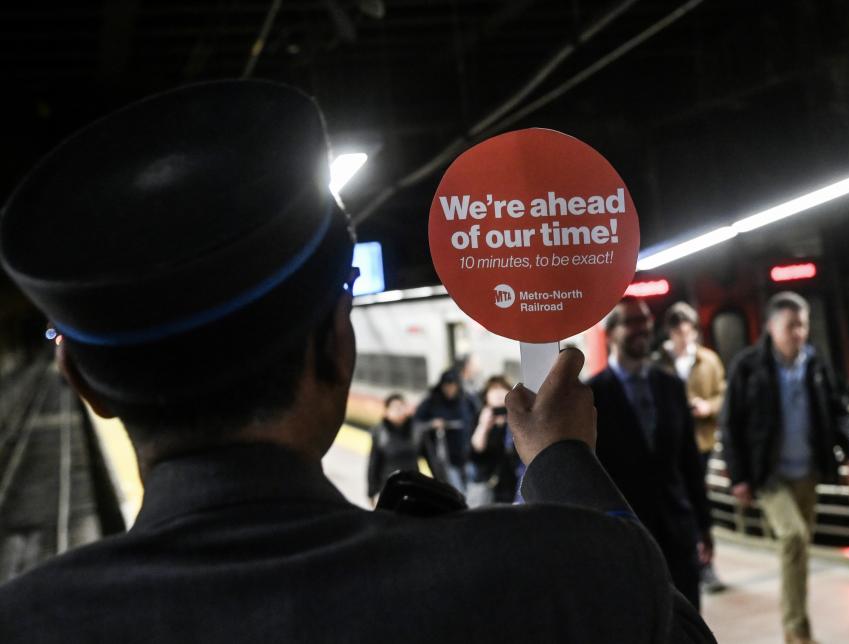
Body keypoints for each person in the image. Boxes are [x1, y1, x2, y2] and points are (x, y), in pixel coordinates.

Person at [0, 81, 716, 642]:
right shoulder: (558, 576)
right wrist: (563, 460)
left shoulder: (29, 622)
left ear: (83, 381)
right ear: (338, 345)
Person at [722, 291, 849, 644]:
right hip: (769, 474)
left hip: (808, 472)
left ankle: (797, 627)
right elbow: (731, 423)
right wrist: (738, 477)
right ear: (771, 327)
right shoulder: (748, 366)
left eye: (803, 324)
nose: (799, 332)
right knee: (793, 536)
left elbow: (839, 412)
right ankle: (796, 630)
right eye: (791, 325)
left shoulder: (816, 365)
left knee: (799, 551)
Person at [589, 297, 714, 610]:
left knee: (688, 621)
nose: (642, 328)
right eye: (631, 322)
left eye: (644, 320)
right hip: (625, 533)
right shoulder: (593, 395)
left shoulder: (670, 386)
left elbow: (689, 461)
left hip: (677, 529)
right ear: (612, 332)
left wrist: (704, 524)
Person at [653, 302, 727, 594]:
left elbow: (722, 392)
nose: (685, 337)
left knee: (698, 499)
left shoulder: (708, 360)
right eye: (679, 331)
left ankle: (706, 565)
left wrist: (708, 406)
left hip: (701, 441)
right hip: (669, 446)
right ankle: (682, 561)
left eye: (689, 331)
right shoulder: (659, 362)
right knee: (676, 500)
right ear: (669, 332)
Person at [413, 369, 477, 493]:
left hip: (467, 455)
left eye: (453, 386)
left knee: (470, 490)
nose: (449, 389)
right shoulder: (431, 401)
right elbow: (416, 423)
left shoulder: (466, 400)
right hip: (444, 459)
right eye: (446, 386)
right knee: (457, 490)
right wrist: (432, 424)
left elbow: (476, 417)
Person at [467, 376, 521, 506]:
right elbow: (475, 451)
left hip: (514, 485)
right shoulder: (481, 417)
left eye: (501, 389)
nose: (497, 394)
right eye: (493, 390)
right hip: (489, 485)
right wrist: (484, 426)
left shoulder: (517, 417)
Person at [367, 393, 418, 505]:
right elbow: (374, 464)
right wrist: (372, 492)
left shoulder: (416, 430)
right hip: (388, 489)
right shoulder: (380, 432)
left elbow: (432, 460)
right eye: (395, 407)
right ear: (386, 411)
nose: (399, 410)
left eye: (401, 406)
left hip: (414, 489)